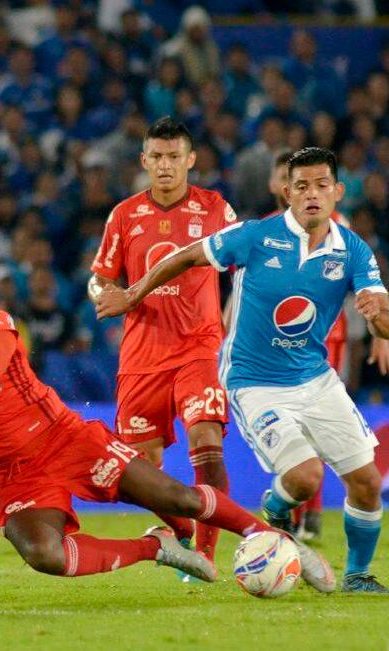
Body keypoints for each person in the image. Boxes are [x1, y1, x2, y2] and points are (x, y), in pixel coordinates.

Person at [0, 268, 335, 590]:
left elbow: (0, 344)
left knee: (179, 496)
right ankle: (157, 550)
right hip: (11, 473)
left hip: (63, 436)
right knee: (46, 556)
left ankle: (280, 541)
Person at [98, 147, 389, 594]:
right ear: (285, 192)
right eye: (301, 186)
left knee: (368, 483)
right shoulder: (255, 236)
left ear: (337, 192)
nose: (311, 194)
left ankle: (358, 576)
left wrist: (378, 316)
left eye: (321, 186)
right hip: (254, 383)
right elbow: (183, 256)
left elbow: (388, 325)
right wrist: (134, 293)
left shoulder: (353, 250)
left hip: (316, 378)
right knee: (305, 476)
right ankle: (276, 507)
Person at [88, 117, 237, 565]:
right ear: (144, 161)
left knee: (206, 441)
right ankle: (183, 530)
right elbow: (100, 278)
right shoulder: (124, 214)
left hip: (198, 347)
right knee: (138, 473)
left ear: (191, 160)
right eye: (157, 156)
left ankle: (205, 558)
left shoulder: (215, 209)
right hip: (141, 357)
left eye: (174, 156)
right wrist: (103, 296)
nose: (166, 165)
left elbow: (246, 267)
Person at [265, 150, 389, 541]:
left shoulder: (336, 226)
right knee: (289, 432)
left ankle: (311, 513)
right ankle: (297, 506)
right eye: (286, 180)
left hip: (325, 339)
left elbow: (366, 284)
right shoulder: (264, 231)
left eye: (318, 185)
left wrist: (380, 335)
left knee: (312, 427)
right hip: (272, 349)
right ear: (281, 187)